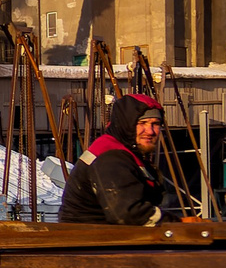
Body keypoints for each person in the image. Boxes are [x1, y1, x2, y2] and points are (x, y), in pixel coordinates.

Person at [56, 92, 182, 225]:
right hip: (93, 240)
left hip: (102, 237)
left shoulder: (125, 154)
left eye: (155, 124)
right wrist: (177, 222)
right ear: (126, 125)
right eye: (142, 123)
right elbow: (128, 214)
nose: (150, 131)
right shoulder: (110, 157)